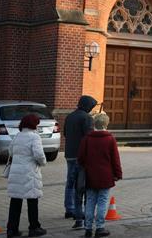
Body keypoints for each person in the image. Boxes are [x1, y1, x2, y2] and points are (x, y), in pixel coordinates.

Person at [77, 113, 122, 238]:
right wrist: (118, 174)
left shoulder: (87, 139)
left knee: (90, 201)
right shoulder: (110, 139)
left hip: (90, 175)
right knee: (102, 201)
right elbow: (115, 159)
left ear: (94, 124)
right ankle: (100, 228)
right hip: (106, 176)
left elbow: (80, 158)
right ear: (106, 124)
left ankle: (88, 228)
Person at [6, 113, 48, 237]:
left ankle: (11, 230)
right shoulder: (34, 137)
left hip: (16, 172)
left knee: (15, 201)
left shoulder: (18, 135)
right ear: (33, 124)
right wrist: (43, 162)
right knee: (32, 200)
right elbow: (39, 155)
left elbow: (10, 151)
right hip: (30, 172)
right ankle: (34, 227)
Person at [64, 95, 97, 228]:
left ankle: (69, 208)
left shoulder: (70, 116)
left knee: (69, 183)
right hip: (81, 155)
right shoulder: (86, 118)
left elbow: (65, 133)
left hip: (69, 153)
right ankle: (79, 213)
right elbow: (90, 137)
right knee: (80, 185)